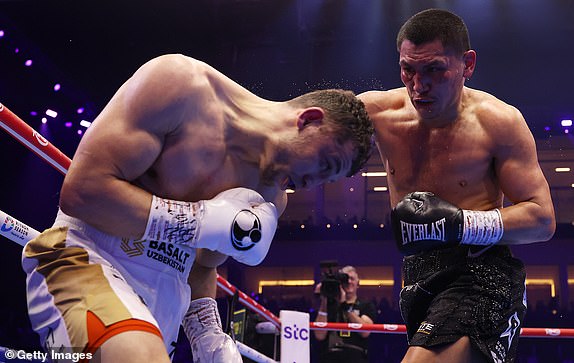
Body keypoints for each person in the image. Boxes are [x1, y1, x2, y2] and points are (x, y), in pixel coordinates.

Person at [21, 54, 374, 363]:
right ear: (308, 119)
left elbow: (203, 266)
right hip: (88, 259)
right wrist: (197, 221)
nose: (311, 184)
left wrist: (207, 333)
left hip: (167, 299)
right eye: (324, 165)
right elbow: (82, 192)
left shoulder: (269, 198)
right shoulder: (181, 87)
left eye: (326, 181)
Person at [358, 8, 555, 363]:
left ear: (467, 64)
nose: (419, 85)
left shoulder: (498, 122)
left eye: (434, 69)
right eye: (408, 70)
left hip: (481, 274)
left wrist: (460, 224)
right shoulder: (377, 113)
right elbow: (296, 130)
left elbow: (542, 219)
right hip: (417, 279)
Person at [313, 265, 376, 363]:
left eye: (352, 279)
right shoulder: (328, 306)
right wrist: (324, 298)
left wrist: (344, 305)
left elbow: (365, 332)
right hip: (329, 356)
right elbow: (319, 335)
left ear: (358, 283)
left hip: (355, 357)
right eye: (346, 279)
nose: (349, 282)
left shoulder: (365, 305)